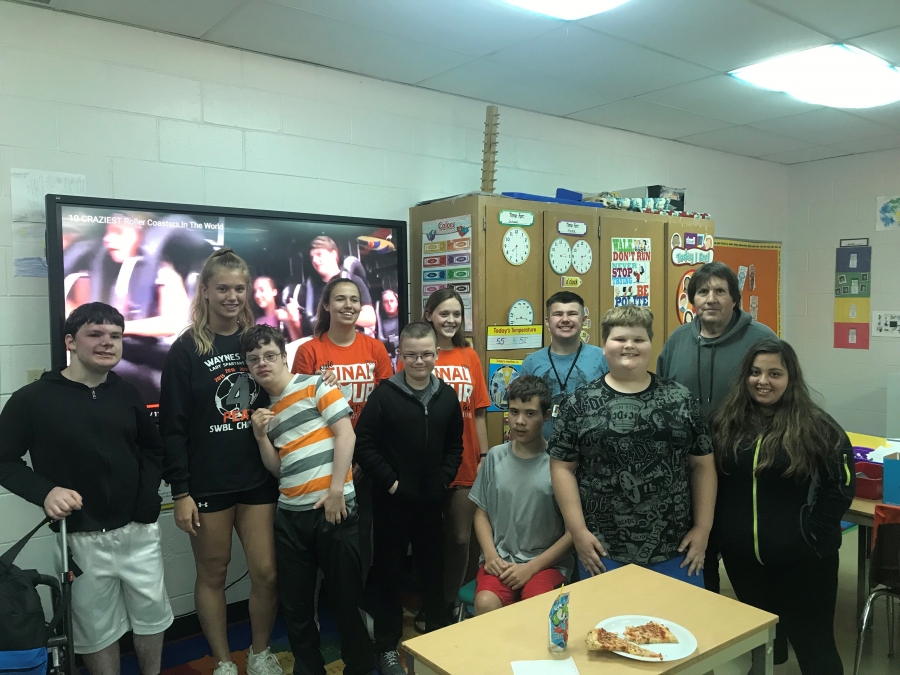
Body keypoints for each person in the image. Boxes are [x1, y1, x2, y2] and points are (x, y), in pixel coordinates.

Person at [0, 302, 173, 675]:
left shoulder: (127, 392)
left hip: (139, 532)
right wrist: (45, 492)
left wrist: (146, 506)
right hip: (79, 538)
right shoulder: (33, 399)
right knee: (97, 632)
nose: (107, 342)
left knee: (152, 619)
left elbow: (151, 450)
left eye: (115, 336)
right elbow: (3, 461)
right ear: (70, 342)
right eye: (95, 334)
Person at [159, 249, 281, 675]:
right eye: (223, 288)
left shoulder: (258, 342)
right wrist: (181, 491)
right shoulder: (186, 348)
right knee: (213, 574)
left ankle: (262, 653)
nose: (232, 296)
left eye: (239, 288)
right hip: (207, 484)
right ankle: (225, 661)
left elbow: (282, 394)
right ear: (206, 291)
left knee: (265, 572)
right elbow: (171, 428)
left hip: (257, 479)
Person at [710, 339, 854, 675]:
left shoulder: (818, 426)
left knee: (815, 646)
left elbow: (842, 485)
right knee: (761, 641)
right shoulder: (723, 423)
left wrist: (812, 534)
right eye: (755, 372)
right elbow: (711, 483)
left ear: (791, 378)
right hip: (743, 558)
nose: (763, 381)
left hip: (805, 560)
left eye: (775, 373)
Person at [549, 306, 716, 586]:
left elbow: (703, 465)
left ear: (651, 345)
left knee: (677, 627)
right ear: (604, 346)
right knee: (604, 628)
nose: (629, 345)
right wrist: (577, 531)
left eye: (639, 339)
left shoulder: (680, 398)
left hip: (676, 548)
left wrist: (703, 528)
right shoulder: (578, 402)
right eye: (619, 339)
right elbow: (561, 467)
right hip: (601, 550)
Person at [242, 325, 374, 675]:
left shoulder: (315, 384)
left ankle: (360, 667)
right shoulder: (265, 411)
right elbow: (277, 469)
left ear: (283, 356)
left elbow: (347, 435)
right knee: (297, 608)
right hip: (290, 515)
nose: (262, 363)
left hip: (334, 507)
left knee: (346, 602)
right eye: (254, 359)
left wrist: (335, 491)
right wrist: (260, 437)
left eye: (269, 355)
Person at [656, 261, 776, 593]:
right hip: (689, 470)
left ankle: (757, 633)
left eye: (720, 291)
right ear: (693, 299)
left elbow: (781, 395)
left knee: (745, 563)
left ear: (734, 299)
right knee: (697, 557)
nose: (711, 298)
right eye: (703, 291)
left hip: (744, 469)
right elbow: (661, 397)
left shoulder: (761, 339)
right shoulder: (678, 339)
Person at [354, 322, 464, 675]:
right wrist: (392, 484)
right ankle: (386, 647)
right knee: (388, 573)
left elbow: (455, 446)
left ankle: (435, 641)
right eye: (412, 354)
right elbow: (365, 445)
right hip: (392, 504)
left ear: (436, 354)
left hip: (431, 503)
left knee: (432, 571)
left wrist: (444, 479)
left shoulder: (446, 396)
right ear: (401, 354)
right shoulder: (384, 395)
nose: (420, 361)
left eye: (427, 354)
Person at [292, 277, 394, 586]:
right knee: (324, 536)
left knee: (364, 535)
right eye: (340, 299)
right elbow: (300, 413)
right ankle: (326, 607)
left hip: (366, 458)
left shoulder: (375, 349)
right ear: (326, 305)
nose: (348, 305)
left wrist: (364, 459)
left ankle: (358, 605)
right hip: (324, 460)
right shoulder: (309, 351)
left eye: (354, 299)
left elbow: (385, 410)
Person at [469, 376, 573, 615]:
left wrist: (531, 567)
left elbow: (572, 534)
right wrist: (491, 555)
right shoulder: (495, 457)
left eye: (530, 414)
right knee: (485, 603)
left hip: (546, 563)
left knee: (536, 609)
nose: (519, 421)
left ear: (546, 416)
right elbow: (481, 514)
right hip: (501, 560)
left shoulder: (560, 465)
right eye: (514, 412)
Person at [420, 289, 490, 621]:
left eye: (456, 315)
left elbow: (478, 412)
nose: (450, 320)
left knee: (462, 538)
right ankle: (431, 603)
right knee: (429, 540)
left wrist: (486, 457)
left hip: (466, 462)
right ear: (429, 314)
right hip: (428, 463)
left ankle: (451, 602)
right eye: (444, 313)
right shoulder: (419, 355)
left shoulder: (469, 356)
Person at [520, 291, 609, 440]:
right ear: (548, 321)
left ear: (584, 320)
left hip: (592, 451)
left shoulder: (603, 358)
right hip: (541, 452)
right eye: (558, 314)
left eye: (572, 313)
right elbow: (521, 409)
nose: (565, 319)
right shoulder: (531, 362)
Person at [300, 236, 375, 333]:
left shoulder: (354, 281)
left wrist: (340, 314)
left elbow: (370, 319)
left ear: (333, 253)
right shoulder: (312, 288)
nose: (314, 260)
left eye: (319, 254)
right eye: (312, 257)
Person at [253, 276, 302, 342]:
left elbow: (298, 343)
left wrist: (291, 322)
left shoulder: (285, 315)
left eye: (262, 290)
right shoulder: (255, 322)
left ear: (274, 292)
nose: (257, 295)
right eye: (255, 291)